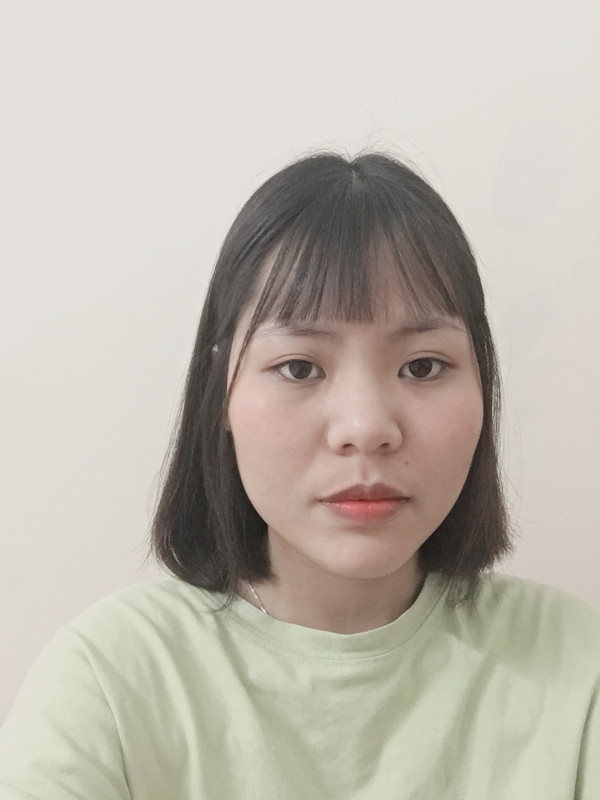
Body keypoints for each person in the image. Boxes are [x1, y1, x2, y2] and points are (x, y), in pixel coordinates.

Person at [0, 151, 598, 799]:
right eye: (299, 368)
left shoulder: (577, 666)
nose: (365, 427)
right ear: (221, 391)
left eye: (422, 366)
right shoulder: (110, 679)